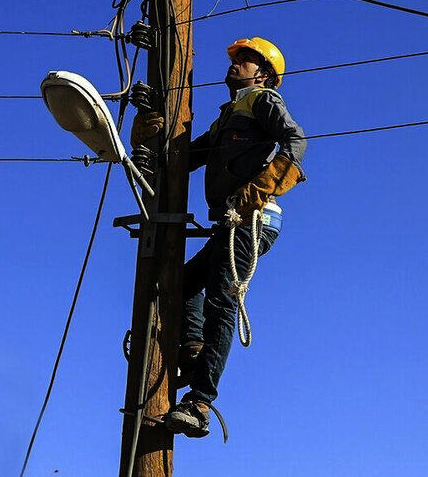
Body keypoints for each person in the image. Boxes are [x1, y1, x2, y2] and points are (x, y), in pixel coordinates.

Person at [130, 37, 306, 438]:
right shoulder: (228, 116)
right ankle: (192, 352)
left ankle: (200, 402)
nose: (237, 63)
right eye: (237, 58)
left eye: (246, 60)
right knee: (179, 285)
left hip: (252, 221)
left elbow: (296, 143)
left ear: (263, 74)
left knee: (221, 302)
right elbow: (183, 160)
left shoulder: (262, 101)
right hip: (230, 224)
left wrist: (257, 190)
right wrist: (147, 135)